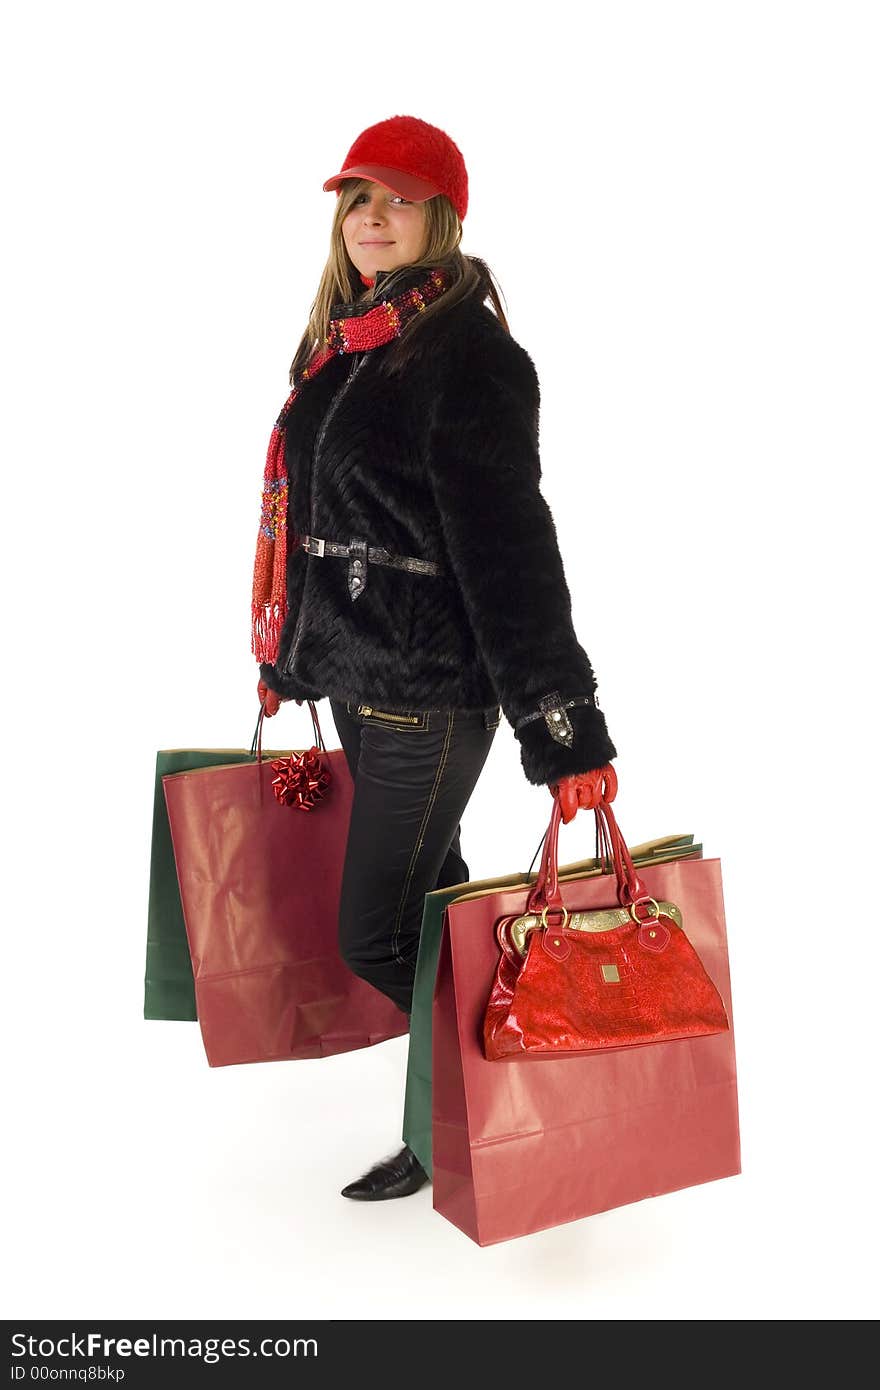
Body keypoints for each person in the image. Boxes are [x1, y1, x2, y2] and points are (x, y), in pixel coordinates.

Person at [253, 114, 618, 1201]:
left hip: (428, 692)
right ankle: (454, 1129)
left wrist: (562, 730)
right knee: (431, 923)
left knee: (374, 931)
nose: (372, 217)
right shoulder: (347, 340)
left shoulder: (471, 357)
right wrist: (294, 656)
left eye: (397, 199)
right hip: (363, 682)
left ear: (442, 218)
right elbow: (325, 518)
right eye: (357, 198)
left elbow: (509, 550)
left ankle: (539, 1096)